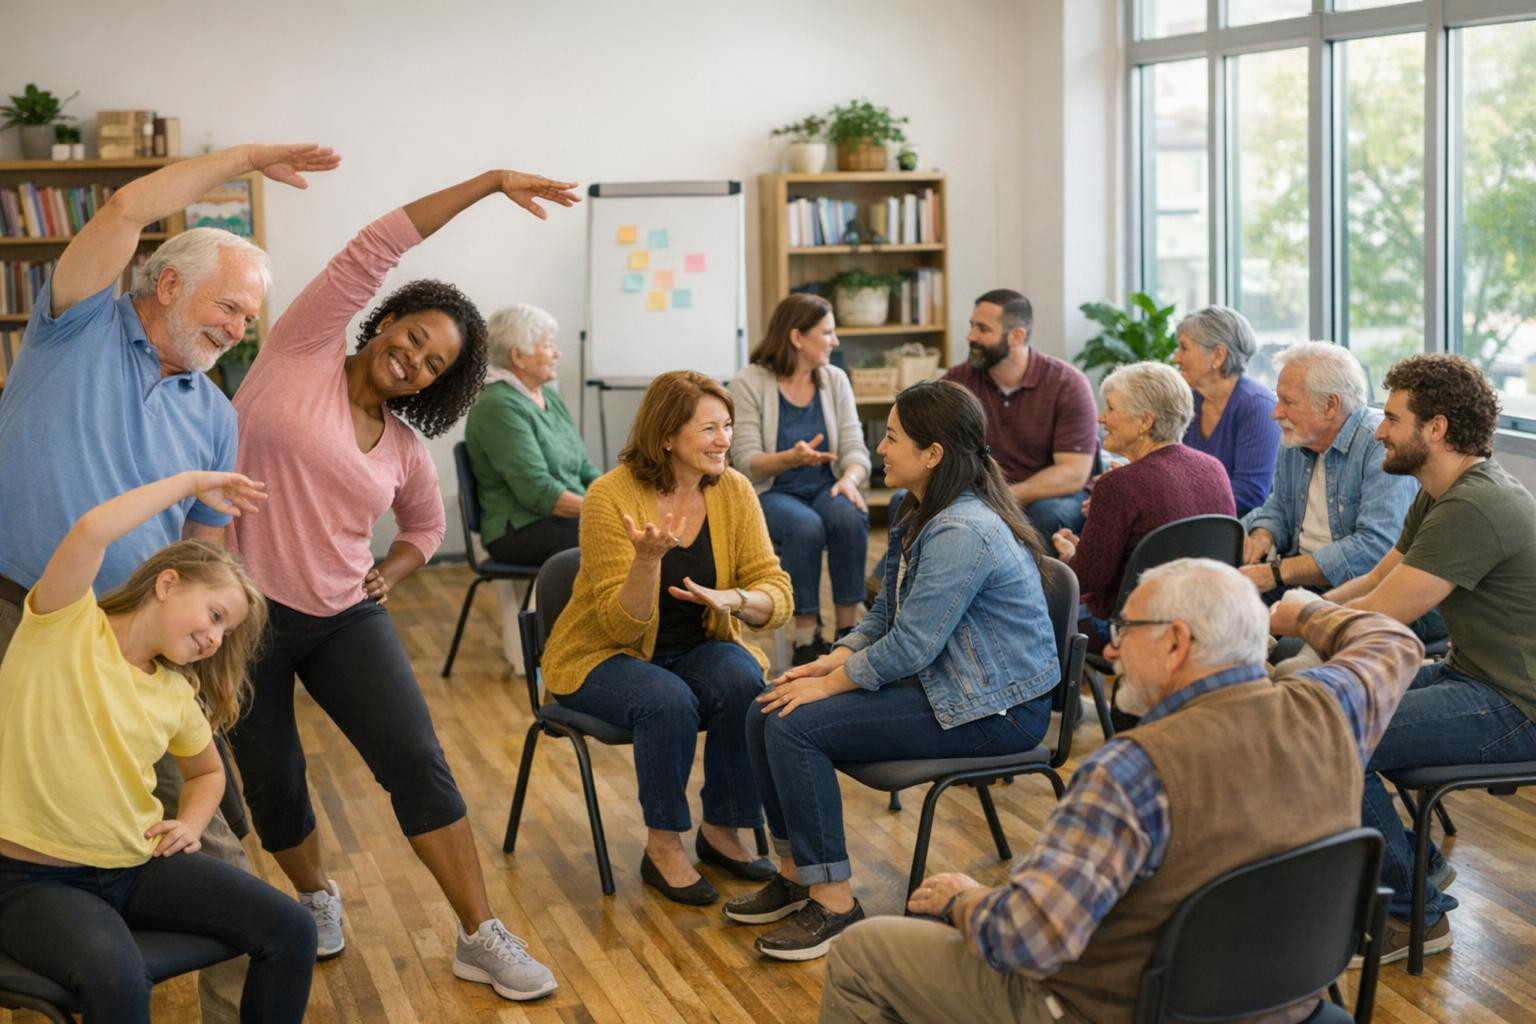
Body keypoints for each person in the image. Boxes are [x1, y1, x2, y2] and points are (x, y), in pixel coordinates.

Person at [0, 140, 337, 1024]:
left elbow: (205, 563)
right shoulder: (75, 326)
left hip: (138, 654)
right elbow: (121, 213)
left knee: (217, 845)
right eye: (230, 306)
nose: (238, 329)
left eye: (248, 319)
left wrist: (196, 660)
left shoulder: (217, 418)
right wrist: (249, 160)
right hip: (17, 618)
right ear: (168, 283)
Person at [225, 168, 578, 1001]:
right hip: (241, 616)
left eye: (433, 363)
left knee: (419, 762)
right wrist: (489, 183)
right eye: (410, 336)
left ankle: (478, 933)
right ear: (381, 320)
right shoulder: (302, 348)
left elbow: (427, 528)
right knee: (273, 778)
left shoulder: (404, 451)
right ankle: (315, 897)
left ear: (438, 382)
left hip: (345, 616)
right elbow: (378, 241)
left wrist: (392, 569)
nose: (412, 359)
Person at [820, 559, 1423, 1024]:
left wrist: (963, 899)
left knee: (863, 953)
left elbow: (1028, 941)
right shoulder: (1332, 706)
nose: (1109, 647)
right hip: (1289, 998)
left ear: (1176, 642)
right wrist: (1303, 612)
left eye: (1126, 628)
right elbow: (1396, 644)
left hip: (1121, 1009)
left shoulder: (1132, 770)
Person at [728, 379, 1060, 962]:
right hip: (951, 685)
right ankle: (796, 873)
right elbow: (886, 611)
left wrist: (828, 683)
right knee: (767, 707)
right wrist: (831, 659)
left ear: (933, 453)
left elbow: (910, 647)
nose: (880, 449)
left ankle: (833, 903)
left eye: (892, 437)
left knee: (792, 723)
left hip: (998, 709)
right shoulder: (919, 508)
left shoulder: (962, 529)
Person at [0, 471, 318, 1024]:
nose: (216, 638)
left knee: (293, 928)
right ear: (168, 583)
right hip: (32, 881)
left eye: (226, 632)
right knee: (118, 978)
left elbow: (207, 774)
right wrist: (192, 484)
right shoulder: (63, 625)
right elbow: (91, 530)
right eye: (215, 615)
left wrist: (191, 825)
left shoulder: (175, 689)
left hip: (135, 867)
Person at [1283, 353, 1536, 962]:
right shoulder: (1444, 492)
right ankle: (1415, 869)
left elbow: (1381, 616)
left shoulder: (1473, 506)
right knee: (1320, 705)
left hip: (1516, 707)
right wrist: (1298, 604)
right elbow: (1374, 581)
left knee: (1333, 732)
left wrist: (1294, 616)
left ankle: (1413, 915)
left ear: (1437, 429)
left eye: (1392, 418)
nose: (1377, 431)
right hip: (1475, 676)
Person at [540, 371, 793, 905]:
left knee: (745, 677)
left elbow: (775, 588)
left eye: (727, 425)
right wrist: (646, 563)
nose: (725, 439)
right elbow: (619, 625)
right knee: (666, 699)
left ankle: (723, 829)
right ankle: (664, 845)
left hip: (691, 647)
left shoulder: (734, 490)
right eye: (708, 428)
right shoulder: (610, 497)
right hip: (602, 655)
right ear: (666, 437)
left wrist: (738, 600)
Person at [1050, 361, 1233, 651]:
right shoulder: (1214, 469)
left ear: (1145, 422)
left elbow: (1086, 580)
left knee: (1037, 608)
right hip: (1203, 619)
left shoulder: (1118, 485)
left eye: (1110, 408)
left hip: (1132, 624)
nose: (1101, 418)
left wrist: (1071, 555)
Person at [729, 293, 870, 664]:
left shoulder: (835, 380)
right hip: (771, 491)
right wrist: (790, 458)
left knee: (849, 515)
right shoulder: (748, 382)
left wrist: (851, 481)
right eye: (827, 332)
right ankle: (806, 639)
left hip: (827, 484)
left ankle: (847, 634)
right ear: (797, 338)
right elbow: (744, 461)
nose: (835, 341)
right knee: (805, 527)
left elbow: (856, 449)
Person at [941, 289, 1097, 537]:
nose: (971, 336)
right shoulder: (958, 380)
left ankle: (1043, 578)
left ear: (1016, 336)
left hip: (1050, 495)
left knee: (1047, 515)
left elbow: (1073, 473)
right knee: (904, 501)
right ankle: (900, 576)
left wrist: (1004, 497)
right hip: (980, 490)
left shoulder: (1067, 384)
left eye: (983, 329)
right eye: (972, 326)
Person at [464, 303, 598, 566]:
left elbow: (583, 465)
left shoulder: (547, 395)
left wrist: (617, 497)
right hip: (520, 528)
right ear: (518, 357)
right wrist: (604, 510)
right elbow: (539, 493)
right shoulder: (498, 405)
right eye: (548, 345)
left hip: (565, 517)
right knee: (620, 542)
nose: (557, 353)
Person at [1170, 305, 1282, 516]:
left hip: (1239, 530)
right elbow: (1172, 467)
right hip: (1194, 522)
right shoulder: (1190, 400)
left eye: (1184, 348)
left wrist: (1169, 503)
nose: (1176, 358)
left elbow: (1249, 495)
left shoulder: (1256, 405)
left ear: (1218, 356)